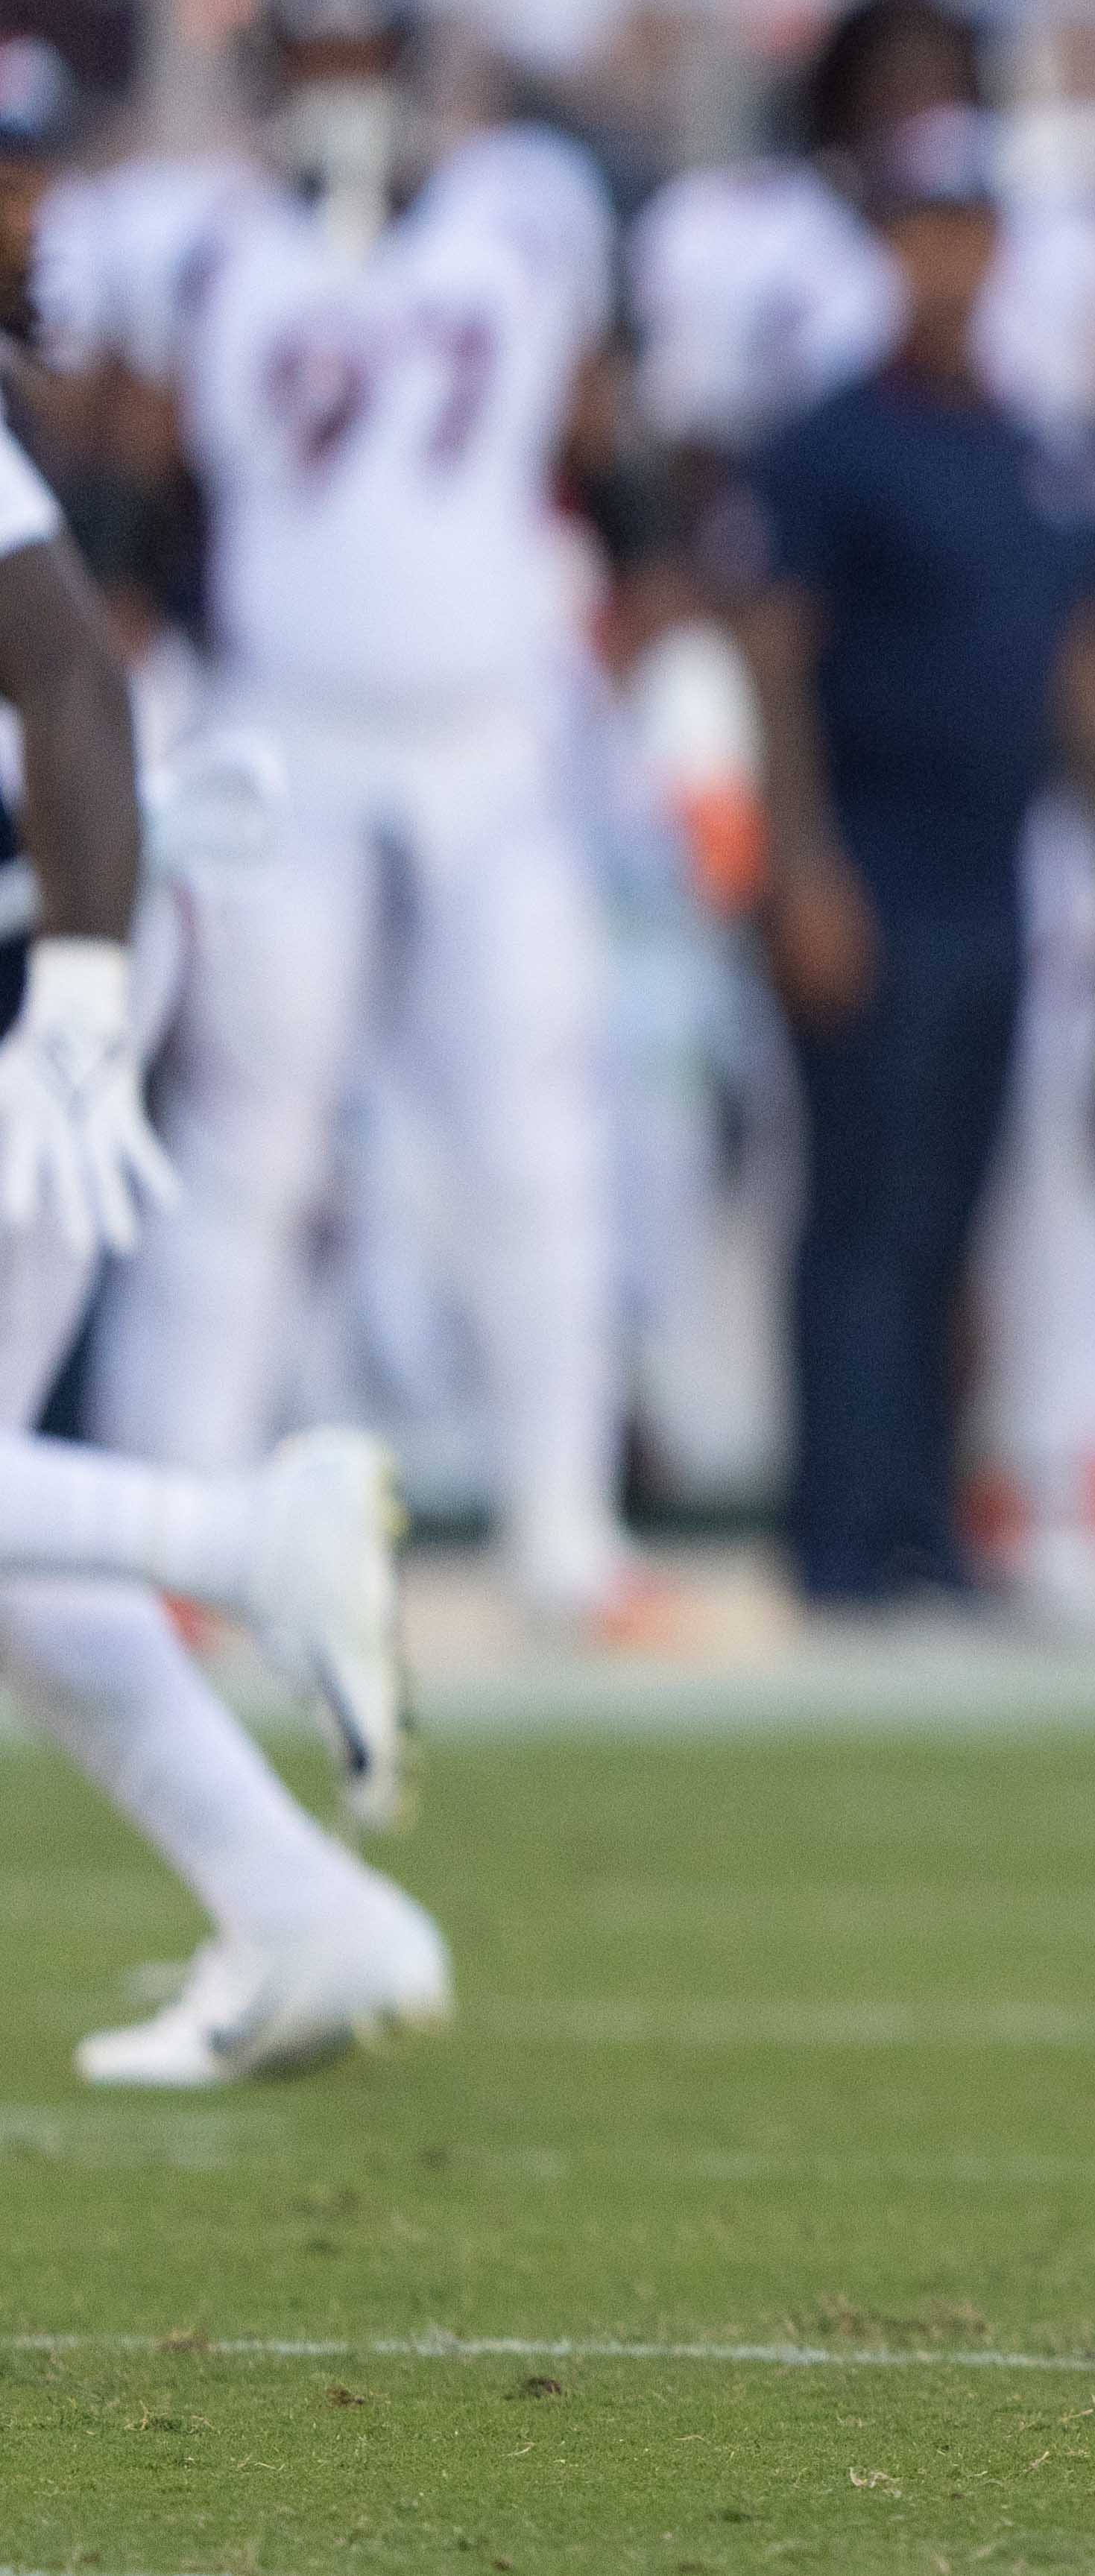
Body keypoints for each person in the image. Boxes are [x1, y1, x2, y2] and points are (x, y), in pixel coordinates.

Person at [96, 0, 639, 1634]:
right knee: (248, 1132)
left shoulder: (522, 221)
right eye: (314, 66)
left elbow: (601, 442)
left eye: (364, 63)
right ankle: (181, 1529)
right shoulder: (196, 241)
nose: (344, 102)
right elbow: (131, 470)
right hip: (287, 729)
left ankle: (568, 1530)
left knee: (533, 1134)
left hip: (488, 726)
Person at [0, 342, 430, 2085]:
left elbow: (74, 678)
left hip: (47, 928)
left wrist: (83, 999)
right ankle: (300, 1914)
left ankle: (245, 1538)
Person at [732, 112, 1095, 1610]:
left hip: (996, 859)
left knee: (952, 1205)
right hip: (869, 851)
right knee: (859, 1205)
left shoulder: (1027, 442)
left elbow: (1089, 669)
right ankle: (838, 1535)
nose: (945, 254)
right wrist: (799, 866)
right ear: (886, 246)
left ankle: (924, 1517)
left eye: (965, 226)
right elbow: (775, 659)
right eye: (919, 225)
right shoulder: (828, 441)